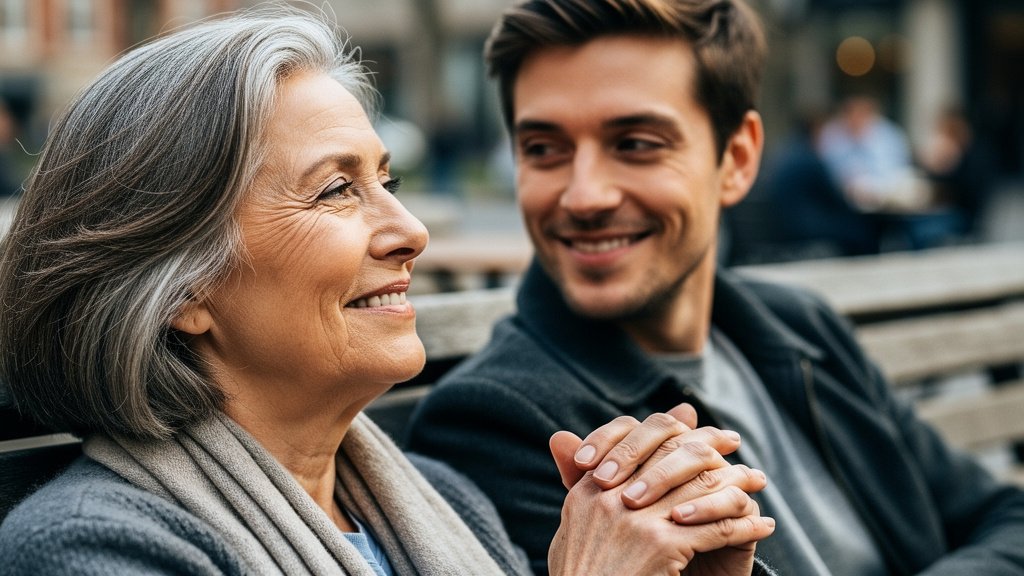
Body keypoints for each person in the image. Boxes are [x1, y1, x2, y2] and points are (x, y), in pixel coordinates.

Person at [0, 6, 778, 575]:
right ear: (181, 288)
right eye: (337, 190)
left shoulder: (444, 502)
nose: (410, 231)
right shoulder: (91, 548)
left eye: (387, 181)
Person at [406, 0, 1024, 574]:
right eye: (543, 148)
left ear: (738, 159)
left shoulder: (797, 324)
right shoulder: (499, 421)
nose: (584, 195)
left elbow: (1006, 516)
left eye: (635, 144)